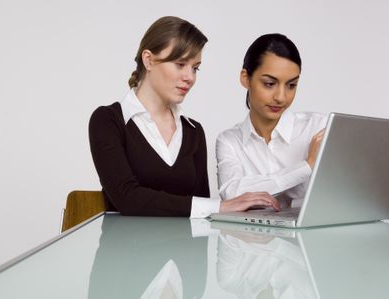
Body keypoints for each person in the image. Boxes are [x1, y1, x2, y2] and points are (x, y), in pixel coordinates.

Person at [89, 16, 280, 218]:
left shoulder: (193, 131)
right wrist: (218, 206)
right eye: (180, 64)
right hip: (124, 248)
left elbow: (201, 219)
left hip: (183, 249)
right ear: (149, 60)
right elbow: (128, 199)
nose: (190, 77)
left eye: (195, 68)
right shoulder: (108, 121)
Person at [216, 33, 327, 208]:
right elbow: (231, 195)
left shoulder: (319, 128)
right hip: (249, 236)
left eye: (291, 85)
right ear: (245, 78)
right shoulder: (230, 141)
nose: (281, 97)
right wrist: (306, 167)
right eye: (269, 83)